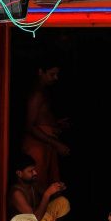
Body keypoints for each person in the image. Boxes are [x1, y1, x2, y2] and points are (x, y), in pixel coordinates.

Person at [21, 63, 69, 193]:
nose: (56, 78)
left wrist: (55, 124)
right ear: (40, 71)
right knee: (37, 184)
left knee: (47, 184)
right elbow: (30, 126)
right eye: (52, 74)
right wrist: (56, 143)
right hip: (37, 147)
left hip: (46, 146)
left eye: (57, 74)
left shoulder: (44, 92)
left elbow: (41, 118)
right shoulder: (36, 94)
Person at [9, 153, 70, 221]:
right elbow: (34, 219)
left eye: (34, 170)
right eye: (30, 171)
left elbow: (50, 196)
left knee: (62, 202)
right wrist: (47, 194)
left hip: (39, 218)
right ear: (19, 173)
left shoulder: (33, 184)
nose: (35, 173)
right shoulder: (16, 193)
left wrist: (57, 188)